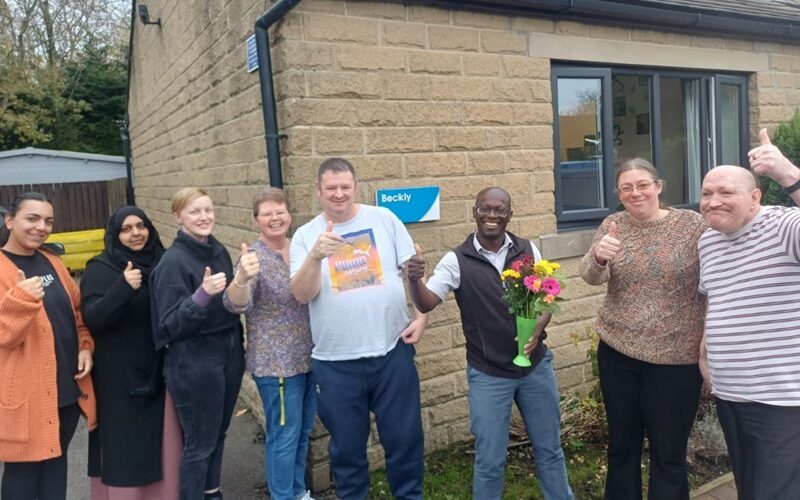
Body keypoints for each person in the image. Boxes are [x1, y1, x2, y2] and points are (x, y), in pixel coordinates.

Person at [407, 186, 573, 500]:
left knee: (550, 450)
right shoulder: (457, 260)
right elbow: (427, 302)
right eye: (485, 209)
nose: (492, 215)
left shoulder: (527, 250)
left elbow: (545, 300)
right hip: (489, 375)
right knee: (490, 461)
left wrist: (537, 330)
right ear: (474, 212)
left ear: (509, 214)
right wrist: (414, 279)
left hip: (535, 369)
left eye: (499, 210)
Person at [289, 157, 428, 500]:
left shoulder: (384, 219)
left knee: (405, 441)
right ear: (318, 190)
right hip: (335, 363)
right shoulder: (305, 236)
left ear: (355, 187)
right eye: (331, 188)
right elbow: (302, 294)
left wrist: (421, 317)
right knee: (347, 452)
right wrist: (315, 257)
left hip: (391, 352)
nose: (339, 194)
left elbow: (412, 271)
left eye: (345, 187)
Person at [579, 158, 706, 500]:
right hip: (618, 352)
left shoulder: (692, 225)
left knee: (669, 453)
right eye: (626, 188)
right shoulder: (613, 224)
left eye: (643, 185)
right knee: (622, 447)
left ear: (658, 187)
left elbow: (718, 273)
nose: (635, 193)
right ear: (619, 193)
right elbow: (590, 276)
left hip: (675, 358)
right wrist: (599, 256)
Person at [698, 128, 800, 499]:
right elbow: (717, 300)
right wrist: (705, 349)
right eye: (707, 194)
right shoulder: (708, 241)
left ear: (755, 197)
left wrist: (789, 175)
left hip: (781, 399)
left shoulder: (784, 227)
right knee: (749, 488)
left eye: (726, 193)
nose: (713, 202)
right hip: (731, 393)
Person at [0, 191, 97, 499]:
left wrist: (85, 345)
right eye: (32, 218)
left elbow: (77, 313)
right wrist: (21, 300)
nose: (41, 227)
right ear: (9, 220)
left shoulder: (52, 261)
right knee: (23, 474)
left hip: (64, 390)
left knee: (56, 465)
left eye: (48, 221)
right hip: (25, 396)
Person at [150, 187, 245, 500]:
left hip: (228, 352)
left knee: (217, 434)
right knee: (200, 443)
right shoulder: (172, 263)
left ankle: (212, 493)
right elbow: (169, 325)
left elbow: (230, 302)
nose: (204, 217)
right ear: (178, 217)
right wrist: (201, 296)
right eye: (195, 212)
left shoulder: (217, 250)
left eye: (208, 210)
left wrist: (243, 279)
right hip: (194, 360)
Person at [80, 206, 181, 499]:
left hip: (159, 369)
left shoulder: (163, 261)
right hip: (118, 376)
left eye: (140, 226)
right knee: (126, 446)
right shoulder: (101, 268)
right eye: (126, 229)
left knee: (162, 442)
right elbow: (93, 318)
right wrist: (123, 289)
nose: (136, 233)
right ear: (115, 234)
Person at [223, 188, 315, 500]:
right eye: (267, 214)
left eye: (280, 211)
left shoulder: (300, 248)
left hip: (310, 358)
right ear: (256, 220)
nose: (275, 218)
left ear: (289, 214)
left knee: (302, 432)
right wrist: (241, 278)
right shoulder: (253, 258)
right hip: (277, 365)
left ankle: (298, 491)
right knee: (284, 436)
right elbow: (237, 303)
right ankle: (282, 496)